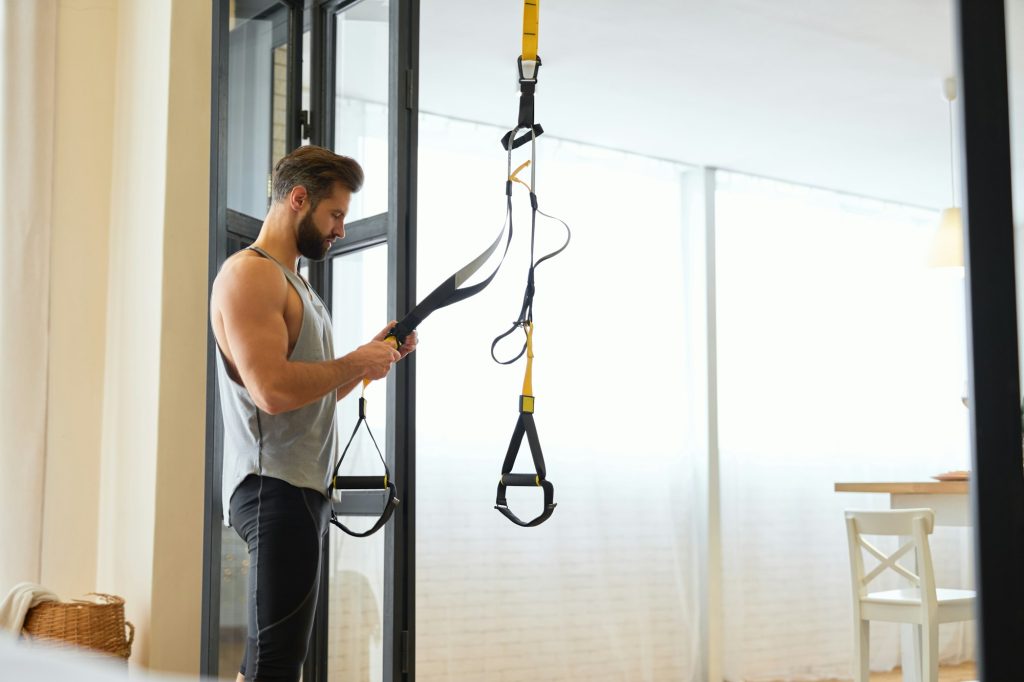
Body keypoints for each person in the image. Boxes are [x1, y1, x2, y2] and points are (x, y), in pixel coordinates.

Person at [210, 145, 416, 681]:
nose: (341, 230)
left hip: (298, 490)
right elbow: (272, 391)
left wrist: (365, 363)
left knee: (270, 664)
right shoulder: (251, 275)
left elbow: (306, 400)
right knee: (277, 668)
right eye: (336, 215)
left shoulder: (298, 285)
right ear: (299, 199)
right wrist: (351, 361)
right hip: (273, 488)